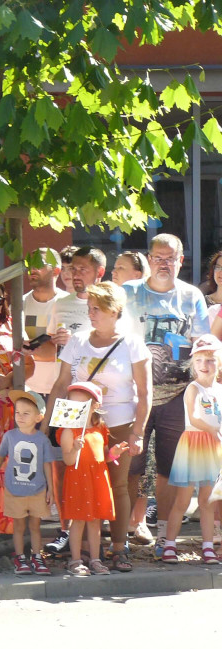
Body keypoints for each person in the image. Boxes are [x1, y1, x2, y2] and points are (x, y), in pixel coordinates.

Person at [46, 281, 150, 570]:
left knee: (116, 485)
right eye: (89, 308)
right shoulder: (78, 339)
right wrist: (47, 426)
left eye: (97, 309)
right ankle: (81, 550)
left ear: (114, 311)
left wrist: (138, 431)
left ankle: (118, 548)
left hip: (118, 420)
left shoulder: (131, 343)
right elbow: (61, 383)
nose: (90, 313)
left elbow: (145, 392)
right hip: (75, 419)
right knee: (75, 482)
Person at [123, 233, 210, 557]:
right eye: (157, 257)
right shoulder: (129, 292)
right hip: (134, 394)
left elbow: (202, 343)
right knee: (130, 466)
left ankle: (164, 536)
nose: (163, 263)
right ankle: (124, 535)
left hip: (177, 395)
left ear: (180, 261)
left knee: (169, 468)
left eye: (169, 258)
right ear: (148, 259)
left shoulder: (191, 296)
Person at [160, 334, 222, 565]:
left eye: (210, 360)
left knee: (208, 502)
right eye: (199, 360)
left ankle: (207, 547)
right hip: (194, 445)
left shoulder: (219, 390)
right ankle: (169, 546)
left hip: (214, 449)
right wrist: (213, 429)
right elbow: (194, 417)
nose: (204, 366)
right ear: (192, 363)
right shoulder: (193, 389)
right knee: (182, 501)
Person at [60, 382, 126, 576]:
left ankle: (96, 559)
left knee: (95, 521)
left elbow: (103, 455)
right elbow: (68, 459)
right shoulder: (68, 431)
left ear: (95, 406)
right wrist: (74, 449)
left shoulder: (100, 429)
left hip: (96, 478)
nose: (77, 408)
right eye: (73, 404)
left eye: (82, 404)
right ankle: (75, 560)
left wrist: (113, 453)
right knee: (78, 520)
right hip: (78, 480)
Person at [0, 391, 55, 576]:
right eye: (17, 412)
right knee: (18, 526)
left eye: (26, 413)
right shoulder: (10, 436)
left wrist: (51, 488)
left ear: (38, 417)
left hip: (37, 490)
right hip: (15, 489)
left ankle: (37, 556)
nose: (20, 417)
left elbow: (47, 464)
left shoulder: (42, 439)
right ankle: (20, 558)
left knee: (35, 526)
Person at [0, 283, 30, 536]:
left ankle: (4, 531)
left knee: (3, 468)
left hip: (4, 414)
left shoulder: (12, 329)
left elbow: (29, 365)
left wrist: (8, 379)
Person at [21, 247, 66, 399]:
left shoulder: (68, 304)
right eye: (29, 264)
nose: (32, 269)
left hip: (61, 390)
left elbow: (63, 350)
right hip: (27, 389)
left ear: (56, 271)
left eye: (39, 264)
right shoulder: (19, 305)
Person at [48, 247, 107, 345]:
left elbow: (118, 346)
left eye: (82, 269)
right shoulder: (60, 303)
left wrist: (73, 341)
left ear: (100, 272)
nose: (75, 275)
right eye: (73, 269)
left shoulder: (111, 306)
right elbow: (50, 343)